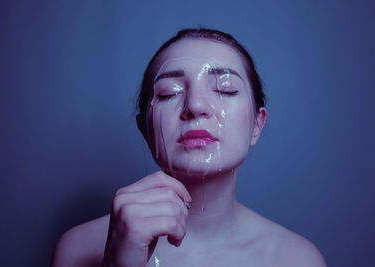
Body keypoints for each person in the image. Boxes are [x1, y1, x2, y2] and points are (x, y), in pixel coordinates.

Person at [51, 28, 327, 267]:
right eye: (169, 93)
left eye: (225, 88)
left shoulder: (297, 259)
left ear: (257, 124)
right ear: (144, 129)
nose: (195, 106)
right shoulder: (78, 249)